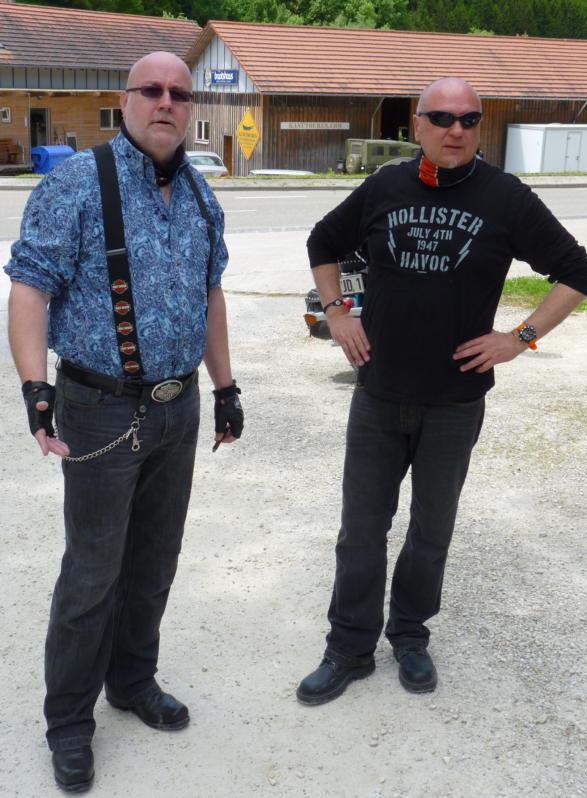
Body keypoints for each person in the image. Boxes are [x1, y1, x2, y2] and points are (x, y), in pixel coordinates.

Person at [297, 77, 587, 706]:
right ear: (417, 125)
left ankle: (410, 636)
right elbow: (323, 242)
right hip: (379, 394)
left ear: (479, 127)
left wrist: (520, 337)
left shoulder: (506, 197)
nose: (455, 129)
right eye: (440, 118)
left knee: (431, 532)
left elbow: (578, 272)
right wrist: (338, 313)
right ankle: (349, 646)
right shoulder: (385, 187)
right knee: (360, 531)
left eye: (468, 120)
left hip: (455, 402)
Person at [5, 51, 243, 792]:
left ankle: (133, 681)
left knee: (155, 563)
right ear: (127, 98)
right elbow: (30, 290)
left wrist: (226, 387)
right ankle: (69, 723)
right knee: (92, 573)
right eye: (153, 90)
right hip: (100, 406)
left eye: (180, 92)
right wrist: (35, 388)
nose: (167, 102)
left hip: (179, 407)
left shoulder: (201, 193)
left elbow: (209, 295)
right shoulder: (73, 183)